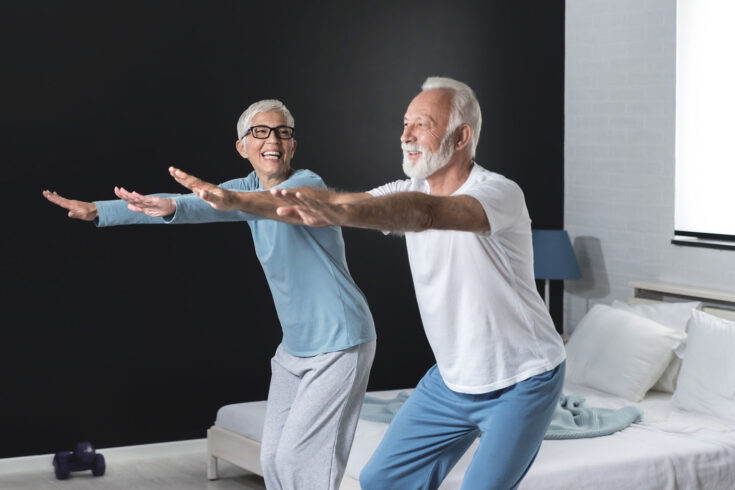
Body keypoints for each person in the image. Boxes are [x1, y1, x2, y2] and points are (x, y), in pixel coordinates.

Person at [176, 78, 566, 489]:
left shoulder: (498, 193)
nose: (406, 135)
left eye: (422, 124)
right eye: (404, 123)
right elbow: (345, 204)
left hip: (524, 378)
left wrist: (348, 212)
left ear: (461, 136)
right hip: (452, 381)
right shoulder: (405, 189)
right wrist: (240, 201)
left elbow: (425, 214)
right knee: (381, 480)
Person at [42, 99, 376, 490]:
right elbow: (190, 205)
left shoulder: (307, 184)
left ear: (293, 145)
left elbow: (269, 205)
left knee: (300, 461)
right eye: (260, 132)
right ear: (242, 147)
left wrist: (221, 201)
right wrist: (102, 210)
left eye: (282, 132)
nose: (273, 140)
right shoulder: (244, 189)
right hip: (295, 348)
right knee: (272, 459)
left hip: (341, 342)